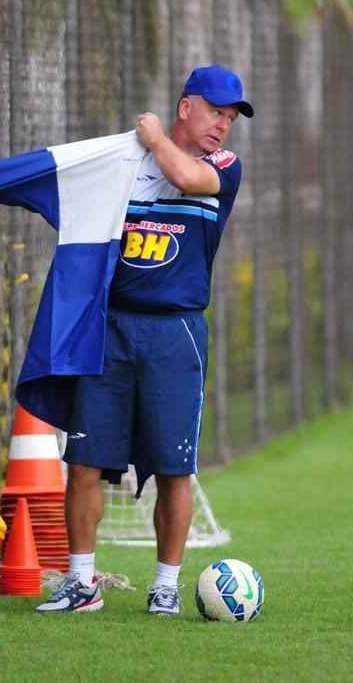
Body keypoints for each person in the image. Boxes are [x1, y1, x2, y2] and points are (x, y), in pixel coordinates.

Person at [35, 64, 251, 617]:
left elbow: (186, 178)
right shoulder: (123, 166)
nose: (223, 125)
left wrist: (154, 138)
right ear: (187, 106)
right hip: (109, 329)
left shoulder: (221, 167)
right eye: (215, 112)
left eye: (230, 117)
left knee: (175, 468)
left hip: (176, 333)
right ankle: (82, 584)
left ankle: (165, 586)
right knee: (84, 462)